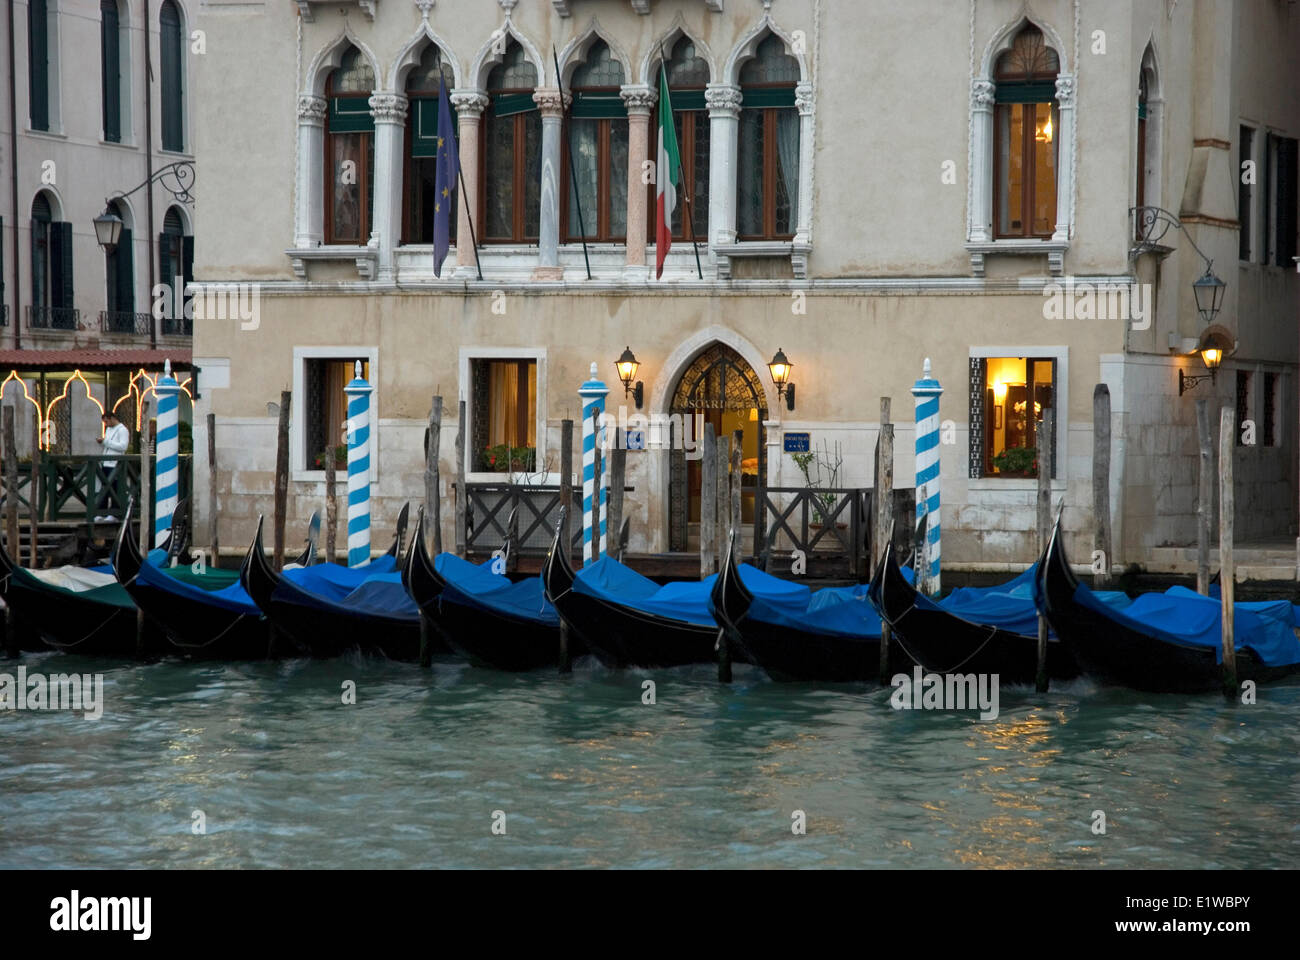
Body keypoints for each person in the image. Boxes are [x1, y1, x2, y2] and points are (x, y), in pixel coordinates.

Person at [94, 412, 131, 521]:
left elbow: (123, 446)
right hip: (106, 462)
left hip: (115, 463)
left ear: (113, 418)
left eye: (106, 421)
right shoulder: (109, 430)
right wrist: (104, 443)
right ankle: (102, 511)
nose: (106, 424)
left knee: (115, 488)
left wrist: (106, 442)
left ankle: (115, 513)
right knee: (104, 487)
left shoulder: (122, 430)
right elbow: (108, 443)